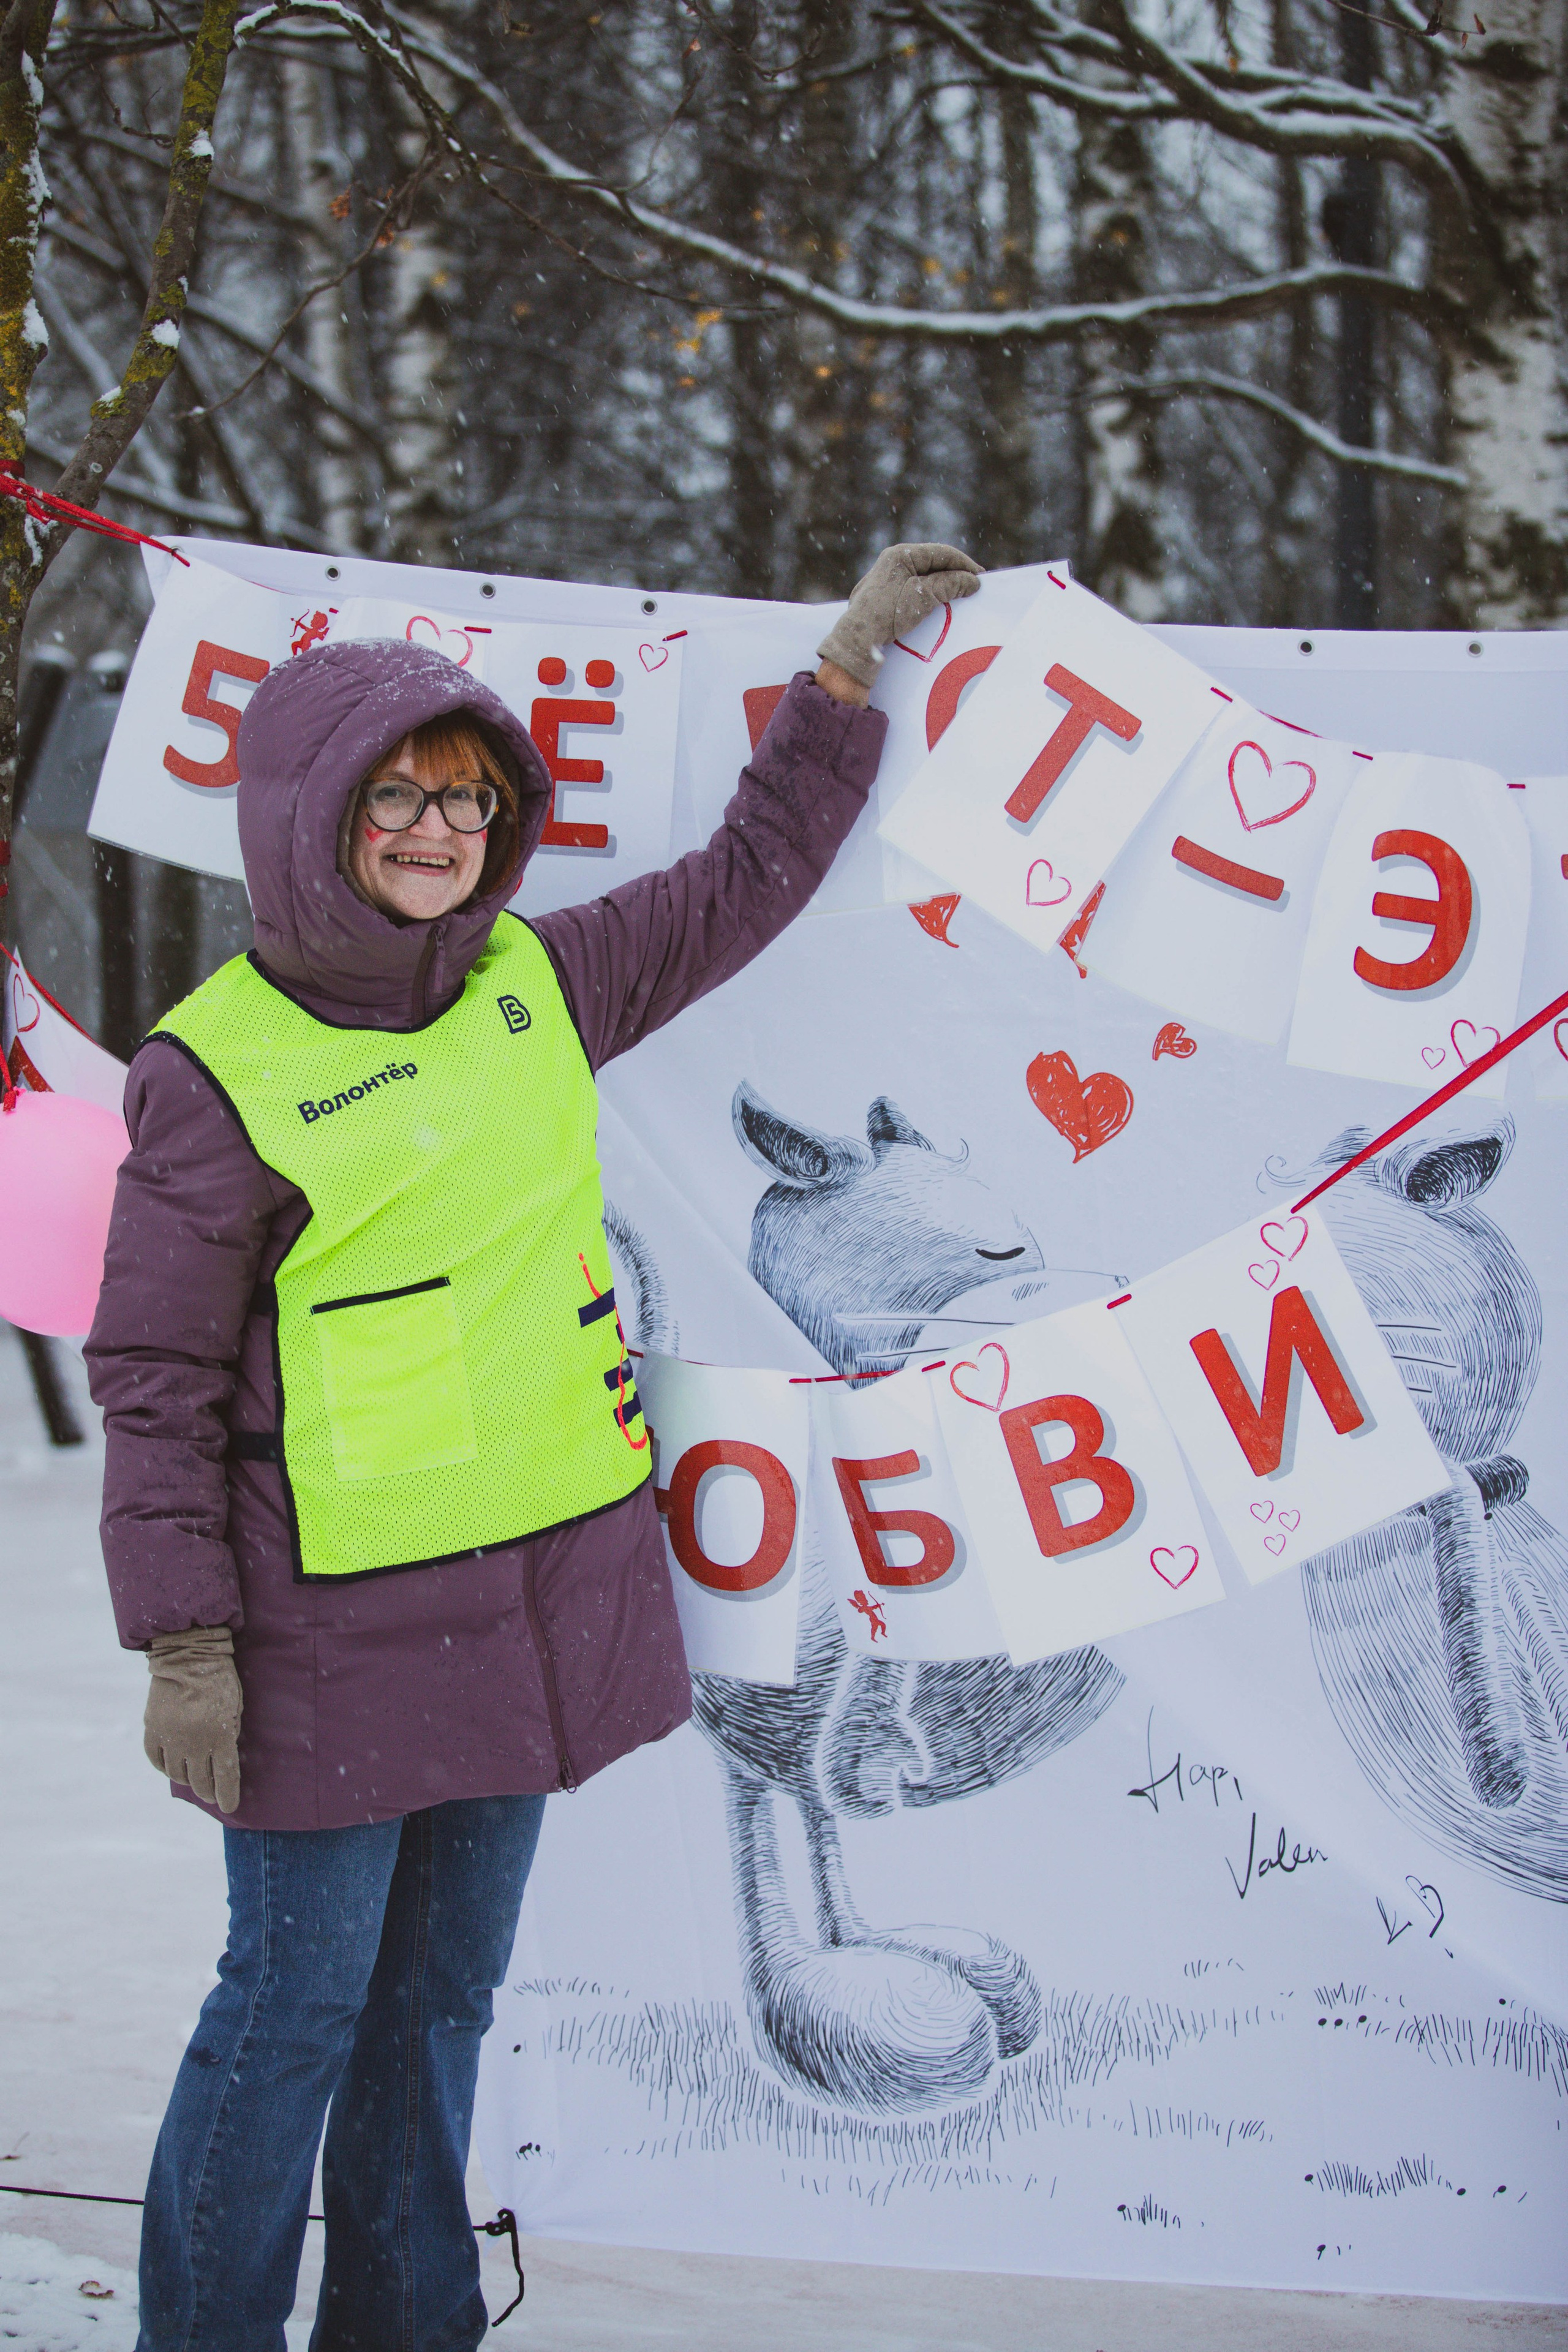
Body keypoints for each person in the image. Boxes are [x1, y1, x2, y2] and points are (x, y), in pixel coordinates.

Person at [85, 542, 982, 2352]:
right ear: (312, 813)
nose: (439, 832)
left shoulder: (537, 985)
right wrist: (186, 1637)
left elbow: (743, 883)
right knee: (291, 2011)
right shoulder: (219, 1067)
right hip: (320, 1635)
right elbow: (158, 1376)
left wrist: (839, 681)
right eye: (400, 797)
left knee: (436, 2010)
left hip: (527, 1598)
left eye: (472, 801)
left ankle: (407, 2324)